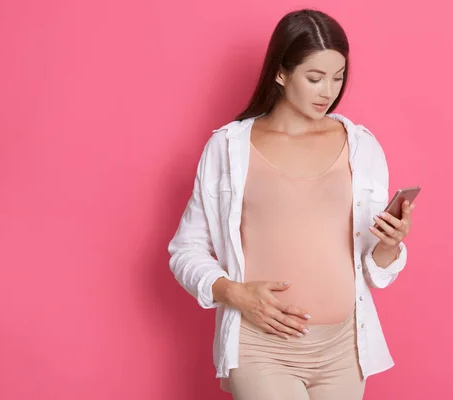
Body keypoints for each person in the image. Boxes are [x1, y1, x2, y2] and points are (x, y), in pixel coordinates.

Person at [168, 8, 416, 400]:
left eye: (337, 78)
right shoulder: (229, 148)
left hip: (345, 348)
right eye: (314, 78)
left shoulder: (361, 146)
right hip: (262, 347)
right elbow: (185, 250)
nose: (328, 92)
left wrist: (388, 245)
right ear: (281, 73)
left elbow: (373, 269)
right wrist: (233, 292)